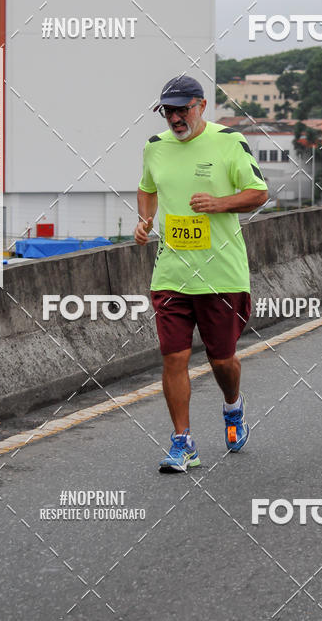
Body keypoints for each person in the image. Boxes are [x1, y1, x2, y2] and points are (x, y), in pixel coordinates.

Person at [134, 75, 268, 472]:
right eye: (168, 111)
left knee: (221, 361)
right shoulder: (154, 148)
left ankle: (233, 406)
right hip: (172, 274)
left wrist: (220, 202)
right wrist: (144, 220)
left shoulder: (228, 141)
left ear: (201, 106)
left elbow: (258, 192)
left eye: (182, 109)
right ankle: (183, 443)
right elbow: (146, 187)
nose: (175, 117)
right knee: (173, 357)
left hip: (222, 275)